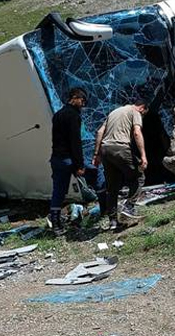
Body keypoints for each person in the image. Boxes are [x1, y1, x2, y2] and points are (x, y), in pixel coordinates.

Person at [92, 101, 148, 230]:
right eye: (144, 114)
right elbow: (137, 133)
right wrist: (143, 155)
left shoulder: (113, 112)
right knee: (139, 177)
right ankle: (129, 207)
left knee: (112, 186)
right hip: (120, 148)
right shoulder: (135, 111)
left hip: (105, 150)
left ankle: (113, 221)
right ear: (142, 108)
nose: (143, 116)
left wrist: (96, 154)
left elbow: (100, 132)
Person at [47, 88, 89, 236]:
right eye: (82, 101)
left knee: (58, 191)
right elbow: (75, 142)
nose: (83, 105)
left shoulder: (58, 115)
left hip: (56, 158)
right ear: (75, 98)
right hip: (69, 159)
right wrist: (79, 165)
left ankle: (56, 223)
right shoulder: (73, 116)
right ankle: (107, 212)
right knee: (97, 178)